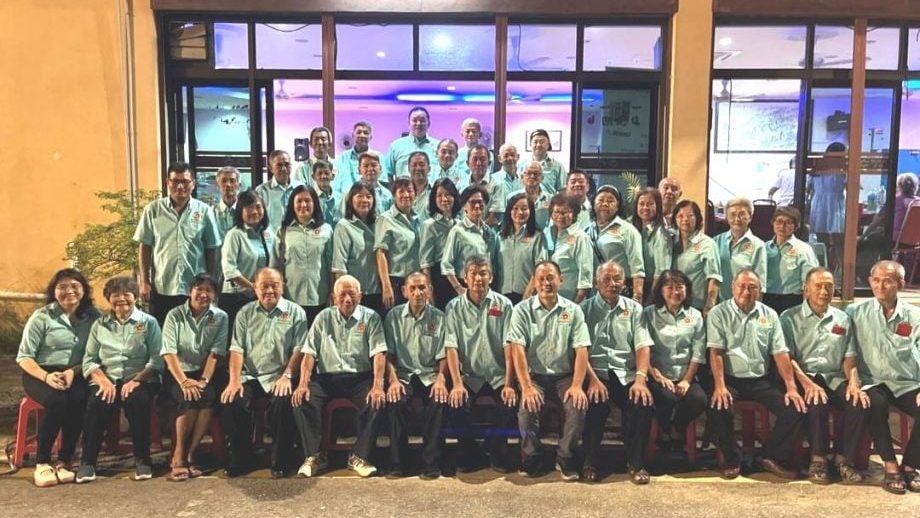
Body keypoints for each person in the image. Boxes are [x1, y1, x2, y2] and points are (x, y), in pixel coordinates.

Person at [706, 269, 806, 480]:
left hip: (761, 379)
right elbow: (716, 352)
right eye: (741, 286)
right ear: (732, 287)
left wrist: (791, 387)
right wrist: (720, 386)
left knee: (795, 408)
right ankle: (732, 459)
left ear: (760, 291)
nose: (746, 291)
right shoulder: (718, 313)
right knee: (718, 406)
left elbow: (780, 353)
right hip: (730, 378)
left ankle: (768, 456)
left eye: (752, 287)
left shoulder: (769, 314)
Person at [779, 267, 868, 485]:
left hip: (834, 377)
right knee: (816, 401)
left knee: (858, 401)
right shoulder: (789, 317)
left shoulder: (842, 318)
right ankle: (817, 459)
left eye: (829, 286)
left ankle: (842, 459)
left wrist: (854, 384)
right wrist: (807, 383)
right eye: (818, 286)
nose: (824, 291)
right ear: (806, 290)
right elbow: (787, 358)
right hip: (804, 376)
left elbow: (849, 357)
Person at [293, 275, 388, 478]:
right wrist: (302, 383)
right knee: (302, 399)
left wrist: (378, 385)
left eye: (352, 294)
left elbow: (379, 353)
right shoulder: (323, 317)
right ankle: (315, 456)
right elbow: (309, 353)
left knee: (376, 401)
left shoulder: (371, 317)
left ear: (360, 296)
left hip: (359, 378)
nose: (347, 299)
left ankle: (359, 456)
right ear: (333, 298)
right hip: (326, 379)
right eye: (342, 295)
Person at [220, 268, 307, 479]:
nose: (269, 290)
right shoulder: (245, 313)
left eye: (274, 285)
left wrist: (287, 376)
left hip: (280, 375)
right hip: (251, 376)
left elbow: (299, 350)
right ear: (255, 288)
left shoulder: (296, 312)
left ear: (282, 287)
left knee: (283, 402)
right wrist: (234, 381)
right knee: (232, 399)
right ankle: (242, 458)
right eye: (264, 286)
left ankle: (281, 461)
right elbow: (237, 349)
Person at [17, 269, 101, 487]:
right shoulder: (41, 317)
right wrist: (46, 377)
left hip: (77, 371)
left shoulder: (94, 317)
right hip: (40, 372)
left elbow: (99, 353)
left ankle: (65, 459)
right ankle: (42, 462)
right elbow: (24, 357)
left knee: (80, 397)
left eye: (75, 286)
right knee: (56, 400)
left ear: (84, 290)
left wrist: (74, 371)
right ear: (53, 291)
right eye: (62, 287)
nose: (69, 291)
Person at [509, 261, 591, 480]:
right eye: (541, 279)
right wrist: (526, 386)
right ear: (534, 283)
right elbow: (517, 349)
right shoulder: (521, 310)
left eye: (550, 278)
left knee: (577, 405)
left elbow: (581, 349)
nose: (546, 283)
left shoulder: (573, 310)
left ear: (560, 280)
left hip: (564, 377)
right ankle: (532, 455)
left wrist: (577, 385)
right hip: (534, 376)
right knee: (526, 408)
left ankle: (565, 456)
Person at [77, 276, 163, 483]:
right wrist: (103, 381)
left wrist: (137, 380)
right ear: (109, 299)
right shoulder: (100, 325)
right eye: (115, 295)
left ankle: (143, 460)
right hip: (107, 379)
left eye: (127, 294)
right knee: (96, 403)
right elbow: (89, 360)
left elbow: (157, 359)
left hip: (140, 378)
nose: (121, 299)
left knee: (137, 401)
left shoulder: (148, 322)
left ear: (135, 297)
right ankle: (88, 462)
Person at [846, 260, 920, 494]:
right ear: (869, 282)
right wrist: (853, 381)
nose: (880, 286)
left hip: (905, 381)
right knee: (874, 404)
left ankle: (910, 465)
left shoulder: (915, 316)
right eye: (876, 280)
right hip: (872, 380)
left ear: (901, 284)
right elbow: (848, 352)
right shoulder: (855, 313)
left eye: (887, 281)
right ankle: (890, 465)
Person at [580, 261, 655, 484]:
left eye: (617, 279)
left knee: (642, 402)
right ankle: (589, 462)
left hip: (626, 373)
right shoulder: (583, 310)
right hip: (595, 373)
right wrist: (592, 380)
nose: (612, 284)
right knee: (595, 403)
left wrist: (641, 379)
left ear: (624, 283)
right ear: (596, 283)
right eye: (606, 279)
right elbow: (579, 350)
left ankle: (636, 462)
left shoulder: (635, 309)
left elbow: (642, 346)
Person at [444, 257, 517, 473]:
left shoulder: (504, 305)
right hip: (469, 375)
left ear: (491, 277)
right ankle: (470, 453)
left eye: (483, 273)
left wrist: (509, 384)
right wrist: (457, 383)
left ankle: (494, 449)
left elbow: (509, 346)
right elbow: (451, 347)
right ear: (465, 278)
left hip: (498, 374)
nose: (478, 278)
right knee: (455, 404)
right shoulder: (453, 307)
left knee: (510, 403)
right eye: (473, 274)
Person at [134, 161, 221, 325]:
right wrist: (144, 281)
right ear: (168, 183)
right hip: (163, 286)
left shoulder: (204, 211)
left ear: (193, 184)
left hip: (195, 288)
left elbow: (212, 249)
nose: (180, 186)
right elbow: (145, 247)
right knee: (163, 332)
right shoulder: (152, 210)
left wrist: (210, 283)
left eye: (185, 182)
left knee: (195, 332)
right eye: (175, 181)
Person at [161, 274, 229, 481]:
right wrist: (183, 381)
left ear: (215, 295)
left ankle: (191, 453)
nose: (203, 294)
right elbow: (169, 352)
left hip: (203, 372)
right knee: (188, 398)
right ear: (190, 291)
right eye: (199, 289)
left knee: (207, 397)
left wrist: (203, 381)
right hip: (177, 371)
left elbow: (216, 353)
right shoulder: (174, 315)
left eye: (209, 290)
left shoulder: (220, 317)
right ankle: (178, 455)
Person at [383, 272, 449, 478]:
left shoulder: (439, 317)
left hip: (430, 375)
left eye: (422, 288)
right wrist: (393, 381)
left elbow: (444, 354)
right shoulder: (393, 316)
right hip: (403, 375)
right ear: (404, 291)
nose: (417, 293)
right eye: (412, 288)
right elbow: (387, 355)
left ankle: (431, 462)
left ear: (430, 290)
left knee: (438, 400)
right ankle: (398, 462)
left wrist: (441, 379)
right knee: (395, 401)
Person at [642, 270, 708, 460]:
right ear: (660, 290)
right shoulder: (649, 314)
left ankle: (675, 429)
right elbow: (644, 349)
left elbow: (698, 352)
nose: (675, 292)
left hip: (685, 374)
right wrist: (658, 376)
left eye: (680, 287)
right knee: (666, 398)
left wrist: (686, 380)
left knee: (699, 400)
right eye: (669, 287)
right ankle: (666, 433)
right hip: (657, 375)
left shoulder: (695, 316)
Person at [272, 185, 333, 324]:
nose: (303, 205)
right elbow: (275, 266)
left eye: (307, 200)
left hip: (320, 297)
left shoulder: (326, 230)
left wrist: (332, 292)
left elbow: (332, 265)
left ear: (315, 203)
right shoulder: (283, 231)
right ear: (292, 205)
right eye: (299, 201)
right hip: (290, 298)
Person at [220, 190, 274, 327]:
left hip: (261, 297)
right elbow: (229, 270)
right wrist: (253, 287)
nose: (254, 211)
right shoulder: (234, 235)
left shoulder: (268, 233)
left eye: (258, 207)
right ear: (240, 211)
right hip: (236, 298)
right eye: (249, 208)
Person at [587, 185, 645, 302]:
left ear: (618, 206)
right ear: (593, 204)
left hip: (619, 290)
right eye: (601, 200)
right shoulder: (587, 230)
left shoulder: (628, 230)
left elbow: (637, 266)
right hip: (594, 292)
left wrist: (637, 296)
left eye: (610, 201)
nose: (605, 204)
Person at [333, 182, 384, 314]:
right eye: (359, 196)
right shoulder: (344, 226)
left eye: (368, 196)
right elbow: (339, 265)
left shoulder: (379, 223)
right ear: (351, 200)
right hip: (353, 295)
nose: (364, 200)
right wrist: (342, 295)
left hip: (378, 291)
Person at [441, 185, 498, 298]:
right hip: (465, 285)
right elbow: (446, 264)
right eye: (472, 202)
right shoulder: (458, 231)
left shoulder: (490, 232)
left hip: (485, 285)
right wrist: (458, 288)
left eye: (480, 202)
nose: (477, 206)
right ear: (464, 206)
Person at [375, 178, 421, 310]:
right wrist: (386, 285)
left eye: (409, 191)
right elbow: (380, 253)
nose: (406, 195)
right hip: (395, 282)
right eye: (401, 191)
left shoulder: (418, 218)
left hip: (415, 280)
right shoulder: (385, 219)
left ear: (415, 194)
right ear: (394, 195)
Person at [764, 207, 819, 314]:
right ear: (773, 223)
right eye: (779, 221)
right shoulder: (764, 248)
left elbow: (809, 282)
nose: (782, 226)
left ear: (796, 226)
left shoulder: (804, 249)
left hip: (792, 300)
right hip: (767, 299)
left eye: (788, 222)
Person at [672, 200, 721, 315]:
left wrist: (709, 306)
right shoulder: (672, 243)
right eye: (680, 216)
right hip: (676, 304)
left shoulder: (707, 244)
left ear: (697, 218)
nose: (685, 219)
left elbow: (714, 278)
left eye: (690, 215)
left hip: (698, 306)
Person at [714, 197, 767, 302]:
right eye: (732, 215)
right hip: (719, 303)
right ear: (726, 217)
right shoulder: (716, 241)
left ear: (750, 217)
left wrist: (756, 307)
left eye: (742, 214)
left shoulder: (758, 245)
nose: (737, 219)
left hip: (745, 302)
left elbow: (760, 284)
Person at [497, 193, 546, 304]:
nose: (520, 212)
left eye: (524, 209)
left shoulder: (538, 236)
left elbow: (540, 269)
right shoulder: (500, 236)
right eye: (515, 208)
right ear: (509, 211)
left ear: (531, 211)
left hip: (527, 296)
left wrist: (527, 295)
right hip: (502, 296)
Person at [544, 193, 594, 303]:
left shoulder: (581, 238)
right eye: (557, 212)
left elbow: (585, 281)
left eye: (566, 212)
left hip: (570, 301)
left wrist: (575, 307)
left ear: (575, 214)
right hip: (549, 300)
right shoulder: (548, 234)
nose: (560, 216)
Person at [420, 178, 461, 310]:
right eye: (439, 195)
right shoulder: (430, 225)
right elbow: (426, 263)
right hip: (439, 278)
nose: (444, 199)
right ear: (434, 199)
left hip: (459, 275)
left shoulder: (460, 224)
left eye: (448, 194)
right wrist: (429, 291)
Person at [807, 142, 847, 273]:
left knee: (826, 239)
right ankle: (832, 269)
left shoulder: (818, 168)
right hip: (833, 202)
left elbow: (808, 188)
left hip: (821, 203)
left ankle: (829, 268)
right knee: (837, 240)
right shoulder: (842, 169)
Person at [631, 187, 672, 301]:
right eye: (641, 204)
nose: (645, 207)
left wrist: (651, 298)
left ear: (658, 207)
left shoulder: (661, 233)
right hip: (632, 284)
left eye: (650, 204)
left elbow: (661, 271)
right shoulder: (632, 229)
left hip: (651, 287)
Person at [255, 150, 303, 232]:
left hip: (297, 237)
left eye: (287, 164)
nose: (284, 169)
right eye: (279, 165)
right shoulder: (261, 191)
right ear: (271, 168)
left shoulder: (301, 188)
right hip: (272, 238)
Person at [385, 106, 438, 179]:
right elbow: (388, 174)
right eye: (415, 120)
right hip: (404, 186)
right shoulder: (395, 146)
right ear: (409, 123)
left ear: (429, 123)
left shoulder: (439, 147)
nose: (418, 123)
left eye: (422, 120)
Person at [335, 121, 380, 193]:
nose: (362, 135)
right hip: (347, 197)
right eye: (359, 132)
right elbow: (337, 180)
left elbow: (382, 182)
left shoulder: (379, 156)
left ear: (371, 137)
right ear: (353, 135)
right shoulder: (343, 157)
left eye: (366, 133)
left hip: (370, 197)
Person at [518, 129, 566, 194]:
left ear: (548, 145)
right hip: (526, 200)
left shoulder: (558, 166)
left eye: (542, 142)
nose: (538, 145)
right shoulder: (522, 164)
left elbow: (563, 191)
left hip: (549, 200)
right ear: (530, 144)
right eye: (535, 142)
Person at [509, 161, 552, 230]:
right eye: (528, 173)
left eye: (536, 174)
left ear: (542, 177)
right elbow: (507, 221)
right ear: (522, 177)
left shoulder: (550, 199)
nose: (532, 176)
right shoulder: (512, 197)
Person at [488, 143, 523, 218]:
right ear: (499, 158)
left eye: (513, 155)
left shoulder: (523, 180)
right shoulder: (492, 180)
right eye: (506, 156)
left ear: (518, 157)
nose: (510, 158)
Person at [310, 159, 342, 226]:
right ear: (313, 177)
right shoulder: (310, 198)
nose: (323, 176)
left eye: (327, 173)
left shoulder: (340, 198)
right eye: (319, 173)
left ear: (332, 176)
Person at [893, 172, 920, 239]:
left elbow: (877, 220)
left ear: (899, 186)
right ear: (915, 187)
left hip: (897, 237)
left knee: (874, 235)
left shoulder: (895, 200)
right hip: (916, 239)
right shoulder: (918, 201)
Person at [408, 151, 433, 216]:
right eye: (414, 165)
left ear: (429, 168)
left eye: (422, 165)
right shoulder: (401, 193)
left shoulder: (435, 192)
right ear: (408, 168)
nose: (418, 168)